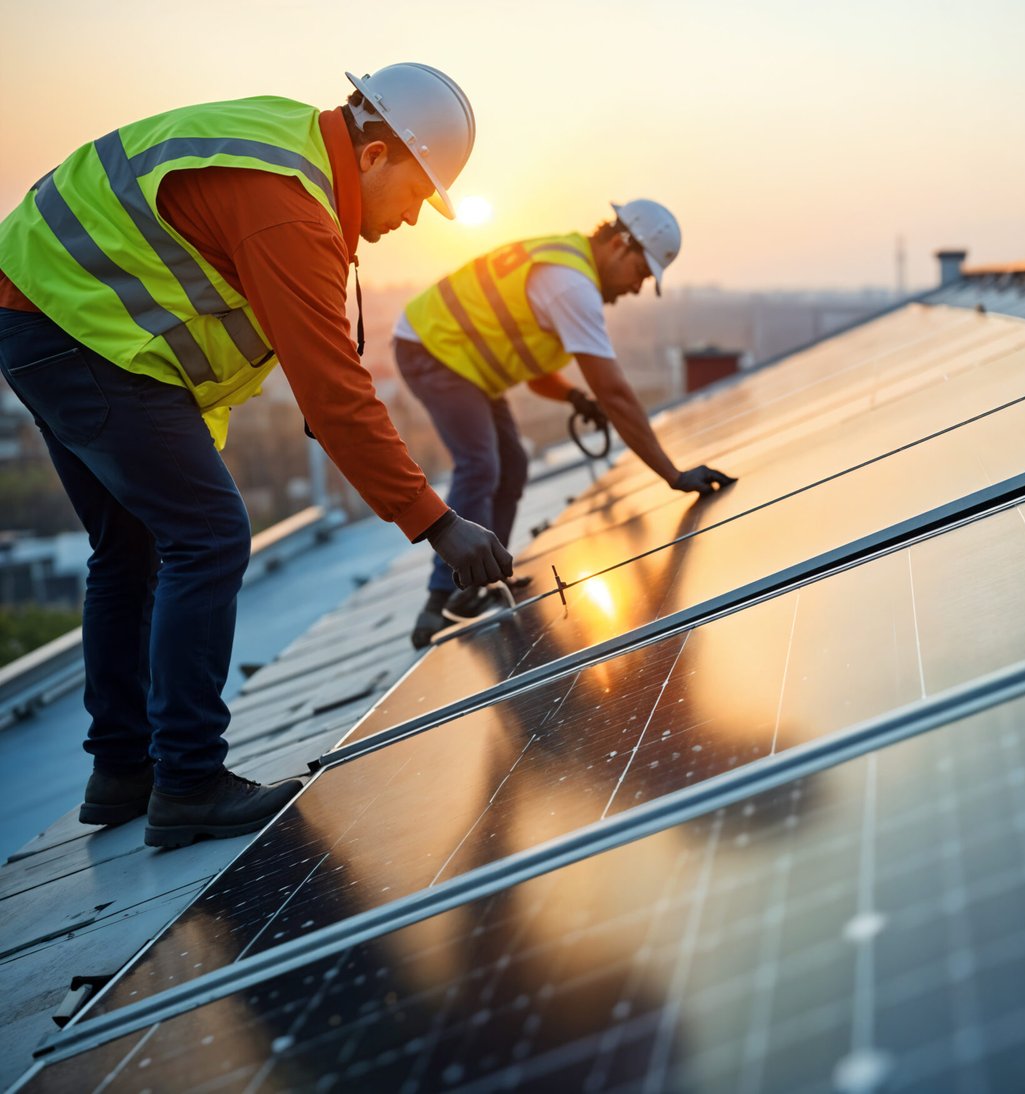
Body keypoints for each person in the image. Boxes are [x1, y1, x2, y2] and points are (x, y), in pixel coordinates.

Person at [0, 64, 514, 849]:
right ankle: (189, 782)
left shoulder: (288, 145)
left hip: (42, 310)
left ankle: (123, 770)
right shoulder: (290, 208)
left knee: (128, 544)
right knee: (207, 534)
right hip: (74, 328)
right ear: (375, 154)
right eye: (417, 195)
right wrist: (438, 524)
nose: (414, 218)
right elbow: (335, 396)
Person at [395, 199, 735, 648]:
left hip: (464, 362)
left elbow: (537, 374)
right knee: (481, 464)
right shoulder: (571, 285)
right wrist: (673, 475)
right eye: (640, 272)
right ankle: (442, 599)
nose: (636, 287)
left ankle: (482, 581)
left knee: (512, 465)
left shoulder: (567, 266)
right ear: (619, 244)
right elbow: (615, 393)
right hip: (430, 347)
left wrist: (575, 397)